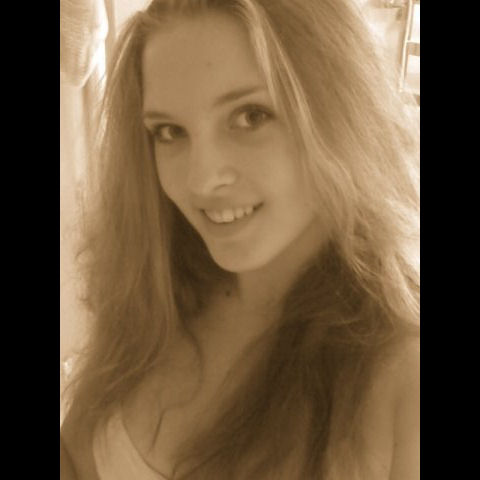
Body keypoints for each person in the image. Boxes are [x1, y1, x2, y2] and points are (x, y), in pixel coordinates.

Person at [60, 0, 420, 479]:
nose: (201, 179)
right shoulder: (156, 297)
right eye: (169, 132)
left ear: (342, 112)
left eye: (251, 116)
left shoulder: (401, 375)